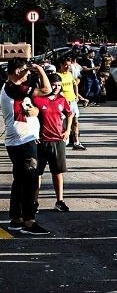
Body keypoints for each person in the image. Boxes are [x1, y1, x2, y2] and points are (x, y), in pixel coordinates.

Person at [3, 57, 52, 235]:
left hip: (19, 139)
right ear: (17, 71)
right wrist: (40, 69)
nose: (28, 73)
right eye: (26, 70)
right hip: (22, 141)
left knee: (20, 181)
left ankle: (16, 219)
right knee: (30, 182)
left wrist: (36, 111)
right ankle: (29, 222)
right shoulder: (13, 87)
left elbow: (33, 108)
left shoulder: (12, 89)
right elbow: (47, 90)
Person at [31, 74, 73, 212]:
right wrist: (33, 135)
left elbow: (69, 114)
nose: (56, 87)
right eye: (54, 84)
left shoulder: (61, 99)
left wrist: (67, 131)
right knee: (37, 173)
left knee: (58, 172)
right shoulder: (37, 99)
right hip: (41, 142)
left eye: (59, 85)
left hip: (57, 141)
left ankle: (59, 201)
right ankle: (34, 202)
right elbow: (30, 117)